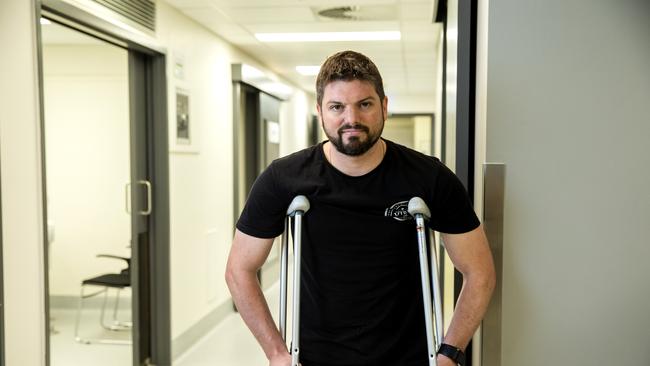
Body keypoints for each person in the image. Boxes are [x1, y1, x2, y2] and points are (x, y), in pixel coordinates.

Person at [225, 50, 496, 366]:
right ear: (320, 111)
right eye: (337, 107)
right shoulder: (283, 179)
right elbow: (238, 270)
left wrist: (450, 352)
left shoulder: (429, 178)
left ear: (384, 106)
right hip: (313, 357)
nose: (350, 118)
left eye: (364, 104)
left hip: (408, 357)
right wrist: (276, 353)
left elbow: (479, 272)